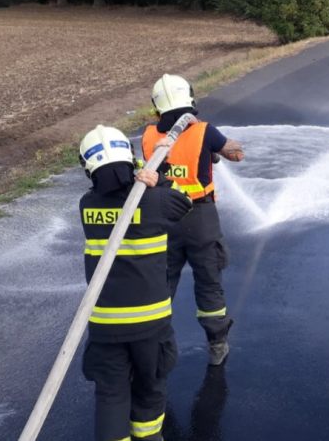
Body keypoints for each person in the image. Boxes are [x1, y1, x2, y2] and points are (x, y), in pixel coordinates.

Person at [79, 125, 192, 441]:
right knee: (150, 386)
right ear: (129, 160)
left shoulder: (86, 206)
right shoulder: (155, 201)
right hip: (149, 323)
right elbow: (184, 202)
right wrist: (155, 176)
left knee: (111, 395)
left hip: (104, 325)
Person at [141, 74, 245, 366]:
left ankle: (151, 348)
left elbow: (161, 166)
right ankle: (217, 345)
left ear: (157, 105)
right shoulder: (204, 132)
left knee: (162, 284)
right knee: (209, 282)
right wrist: (221, 149)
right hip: (200, 218)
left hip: (164, 219)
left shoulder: (149, 136)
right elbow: (237, 155)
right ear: (189, 98)